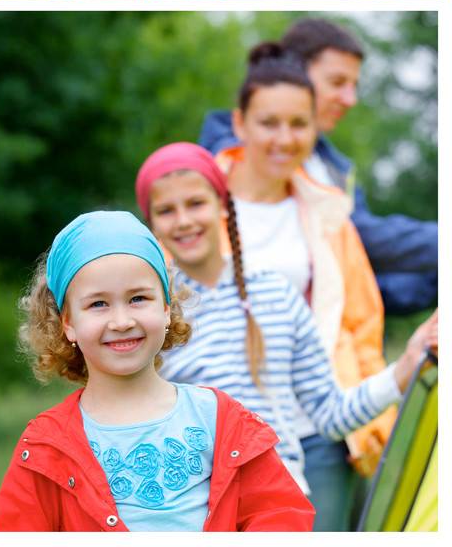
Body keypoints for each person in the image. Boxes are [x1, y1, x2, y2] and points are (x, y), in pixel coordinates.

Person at [137, 141, 435, 504]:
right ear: (151, 224)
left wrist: (406, 365)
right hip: (192, 513)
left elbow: (331, 414)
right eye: (166, 210)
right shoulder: (150, 313)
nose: (183, 220)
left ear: (223, 206)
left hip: (280, 510)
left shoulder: (276, 294)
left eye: (196, 203)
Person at [0, 209, 313, 531]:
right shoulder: (47, 445)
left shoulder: (220, 419)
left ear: (167, 308)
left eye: (138, 298)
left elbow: (280, 516)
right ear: (68, 323)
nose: (122, 321)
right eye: (98, 304)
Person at [210, 41, 393, 529]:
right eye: (269, 122)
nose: (284, 139)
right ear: (240, 123)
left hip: (317, 432)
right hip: (217, 432)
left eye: (298, 124)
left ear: (315, 129)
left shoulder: (330, 217)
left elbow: (361, 325)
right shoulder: (195, 208)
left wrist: (375, 421)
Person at [201, 18, 436, 314]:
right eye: (338, 83)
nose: (350, 99)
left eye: (354, 86)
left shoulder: (335, 168)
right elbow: (364, 236)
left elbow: (359, 281)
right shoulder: (220, 160)